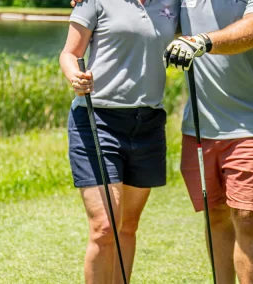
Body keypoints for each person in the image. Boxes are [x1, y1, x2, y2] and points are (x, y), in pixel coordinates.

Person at [163, 1, 253, 283]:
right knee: (215, 216)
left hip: (252, 124)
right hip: (199, 126)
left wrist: (201, 41)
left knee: (246, 216)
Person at [60, 0, 180, 283]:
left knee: (127, 226)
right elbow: (69, 53)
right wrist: (75, 76)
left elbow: (201, 23)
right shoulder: (94, 1)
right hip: (97, 120)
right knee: (105, 227)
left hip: (148, 124)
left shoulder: (173, 3)